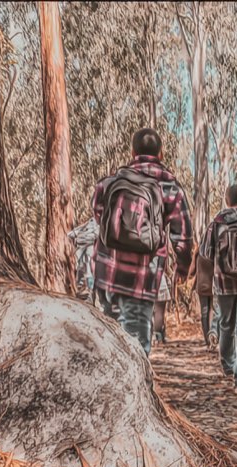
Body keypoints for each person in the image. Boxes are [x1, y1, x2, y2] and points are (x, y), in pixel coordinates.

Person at [91, 128, 192, 355]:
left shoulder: (109, 182)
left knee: (110, 338)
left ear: (133, 152)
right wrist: (183, 267)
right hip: (143, 277)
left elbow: (98, 213)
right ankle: (135, 378)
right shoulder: (170, 187)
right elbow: (183, 236)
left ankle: (114, 376)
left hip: (107, 273)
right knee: (136, 343)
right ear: (161, 154)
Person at [201, 184, 237, 393]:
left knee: (226, 324)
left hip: (224, 283)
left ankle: (228, 365)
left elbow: (206, 253)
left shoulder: (217, 222)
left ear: (227, 200)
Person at [194, 228, 219, 349]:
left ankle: (207, 340)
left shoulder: (198, 253)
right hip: (214, 285)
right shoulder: (215, 253)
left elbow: (192, 270)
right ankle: (212, 335)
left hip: (201, 286)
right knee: (213, 310)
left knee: (204, 311)